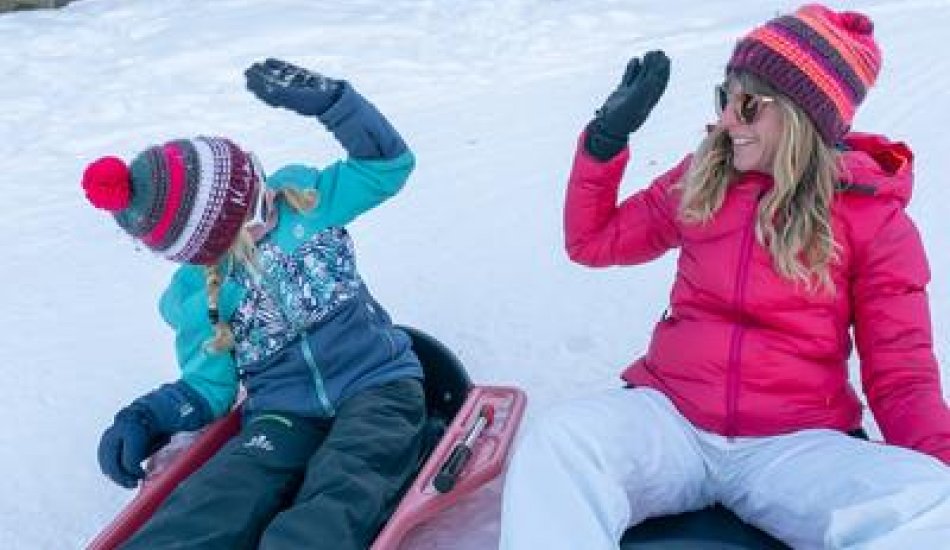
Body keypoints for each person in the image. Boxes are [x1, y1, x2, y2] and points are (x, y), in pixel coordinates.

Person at [500, 5, 950, 549]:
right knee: (559, 443)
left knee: (934, 505)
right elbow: (593, 243)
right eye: (724, 98)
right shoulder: (704, 174)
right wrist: (604, 141)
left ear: (804, 119)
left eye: (749, 105)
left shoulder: (872, 218)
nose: (727, 121)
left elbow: (902, 375)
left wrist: (938, 471)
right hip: (672, 421)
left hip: (795, 446)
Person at [83, 59, 425, 549]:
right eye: (245, 223)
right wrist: (148, 415)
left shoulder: (306, 199)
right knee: (225, 491)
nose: (266, 216)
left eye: (259, 196)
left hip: (378, 386)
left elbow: (389, 167)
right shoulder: (199, 297)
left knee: (347, 484)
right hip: (282, 412)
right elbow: (209, 387)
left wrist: (337, 106)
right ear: (208, 251)